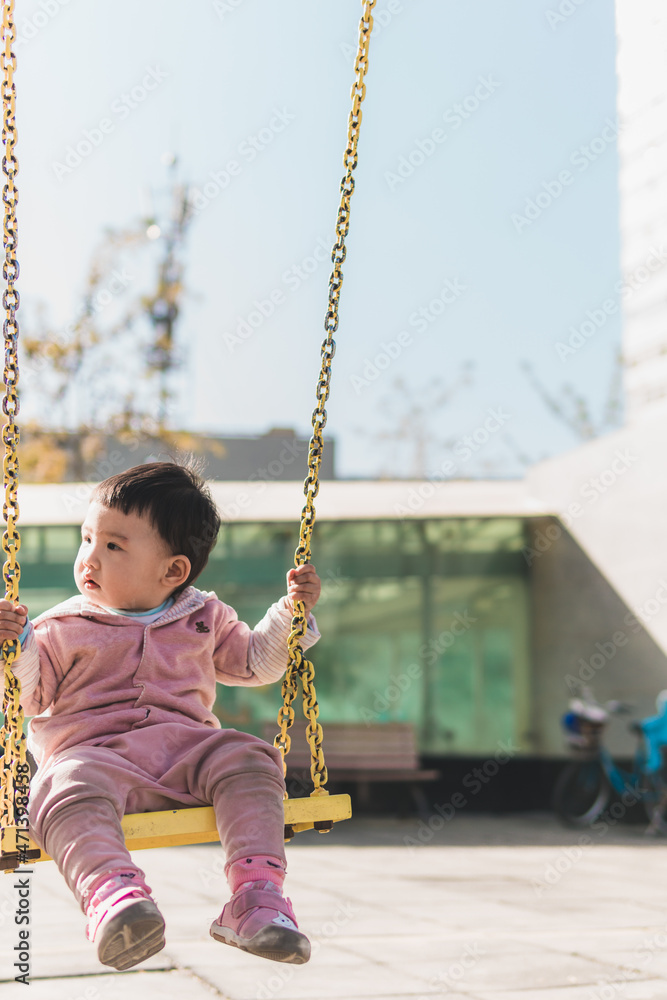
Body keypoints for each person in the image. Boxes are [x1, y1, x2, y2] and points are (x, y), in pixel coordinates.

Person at [0, 461, 322, 972]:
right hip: (95, 760)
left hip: (187, 756)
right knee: (61, 786)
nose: (90, 558)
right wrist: (14, 650)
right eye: (87, 538)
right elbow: (30, 698)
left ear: (173, 572)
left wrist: (290, 615)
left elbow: (255, 662)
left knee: (250, 756)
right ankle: (114, 897)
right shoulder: (58, 628)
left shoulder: (203, 617)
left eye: (113, 546)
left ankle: (256, 896)